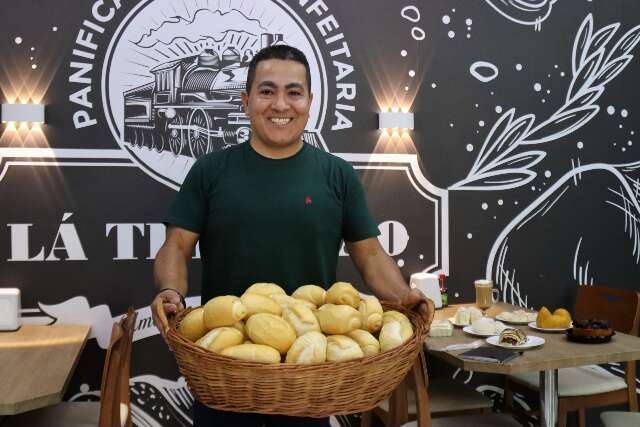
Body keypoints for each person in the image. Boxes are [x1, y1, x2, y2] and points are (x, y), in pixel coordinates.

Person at [151, 44, 430, 427]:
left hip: (309, 375)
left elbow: (370, 255)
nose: (280, 104)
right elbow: (176, 246)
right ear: (245, 100)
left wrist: (401, 297)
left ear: (310, 101)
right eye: (267, 91)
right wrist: (171, 292)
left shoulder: (337, 175)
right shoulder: (210, 171)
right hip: (227, 373)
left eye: (293, 92)